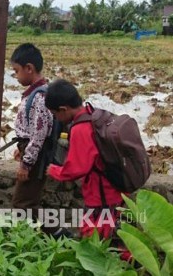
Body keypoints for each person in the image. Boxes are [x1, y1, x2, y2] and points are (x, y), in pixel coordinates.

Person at [45, 79, 130, 259]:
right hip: (116, 189)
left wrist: (53, 170)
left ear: (63, 109)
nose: (56, 118)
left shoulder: (81, 129)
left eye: (55, 114)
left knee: (97, 242)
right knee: (117, 237)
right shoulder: (93, 114)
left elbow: (76, 169)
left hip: (101, 196)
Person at [10, 43, 69, 238]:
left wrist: (26, 164)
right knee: (28, 202)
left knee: (22, 204)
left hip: (37, 157)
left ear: (29, 68)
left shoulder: (40, 97)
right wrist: (22, 147)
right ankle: (45, 234)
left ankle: (57, 233)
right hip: (32, 152)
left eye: (16, 71)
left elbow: (39, 134)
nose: (16, 76)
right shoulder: (37, 93)